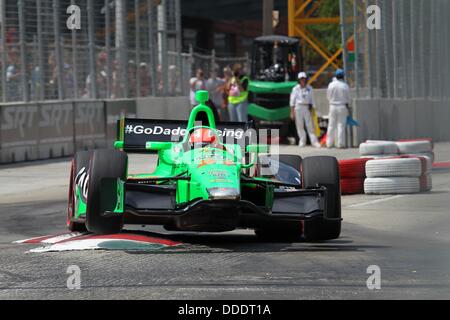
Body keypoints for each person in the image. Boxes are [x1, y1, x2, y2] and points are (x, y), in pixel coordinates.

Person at [290, 72, 321, 148]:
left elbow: (313, 100)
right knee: (300, 125)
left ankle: (314, 142)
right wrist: (292, 112)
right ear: (299, 80)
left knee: (310, 125)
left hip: (307, 107)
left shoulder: (310, 88)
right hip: (298, 107)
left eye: (304, 78)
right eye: (301, 79)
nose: (302, 80)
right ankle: (302, 141)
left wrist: (314, 110)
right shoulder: (295, 89)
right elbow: (292, 101)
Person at [326, 69, 351, 149]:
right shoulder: (345, 85)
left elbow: (328, 96)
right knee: (341, 125)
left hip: (332, 106)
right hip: (342, 106)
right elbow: (348, 98)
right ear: (343, 76)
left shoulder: (331, 85)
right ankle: (340, 144)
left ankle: (329, 144)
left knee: (331, 125)